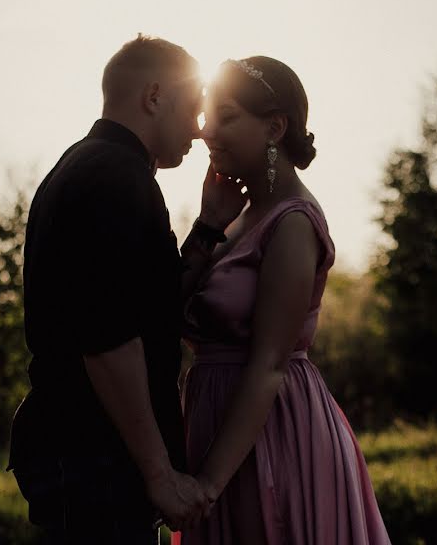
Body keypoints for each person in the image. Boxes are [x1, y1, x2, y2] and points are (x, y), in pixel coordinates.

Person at [7, 35, 245, 544]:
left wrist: (206, 230)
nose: (201, 130)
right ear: (154, 96)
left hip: (92, 455)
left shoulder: (98, 168)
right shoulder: (113, 179)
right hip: (92, 455)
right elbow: (108, 341)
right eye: (194, 108)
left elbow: (147, 310)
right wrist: (159, 474)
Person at [174, 57, 392, 544]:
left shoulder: (293, 222)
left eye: (226, 116)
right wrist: (207, 226)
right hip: (216, 427)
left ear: (274, 127)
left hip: (272, 436)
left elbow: (270, 363)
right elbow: (166, 313)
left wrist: (208, 482)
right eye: (207, 116)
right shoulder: (233, 216)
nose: (207, 132)